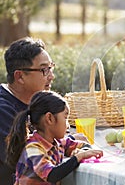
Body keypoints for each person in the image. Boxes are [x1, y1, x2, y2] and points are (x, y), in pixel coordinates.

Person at [0, 37, 86, 184]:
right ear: (20, 76)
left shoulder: (35, 102)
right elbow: (30, 154)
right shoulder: (3, 111)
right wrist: (66, 142)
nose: (51, 76)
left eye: (51, 68)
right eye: (44, 70)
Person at [6, 91, 103, 184]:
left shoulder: (56, 142)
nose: (68, 125)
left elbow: (82, 144)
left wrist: (83, 150)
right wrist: (78, 157)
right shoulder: (33, 148)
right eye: (65, 118)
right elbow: (52, 175)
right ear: (49, 118)